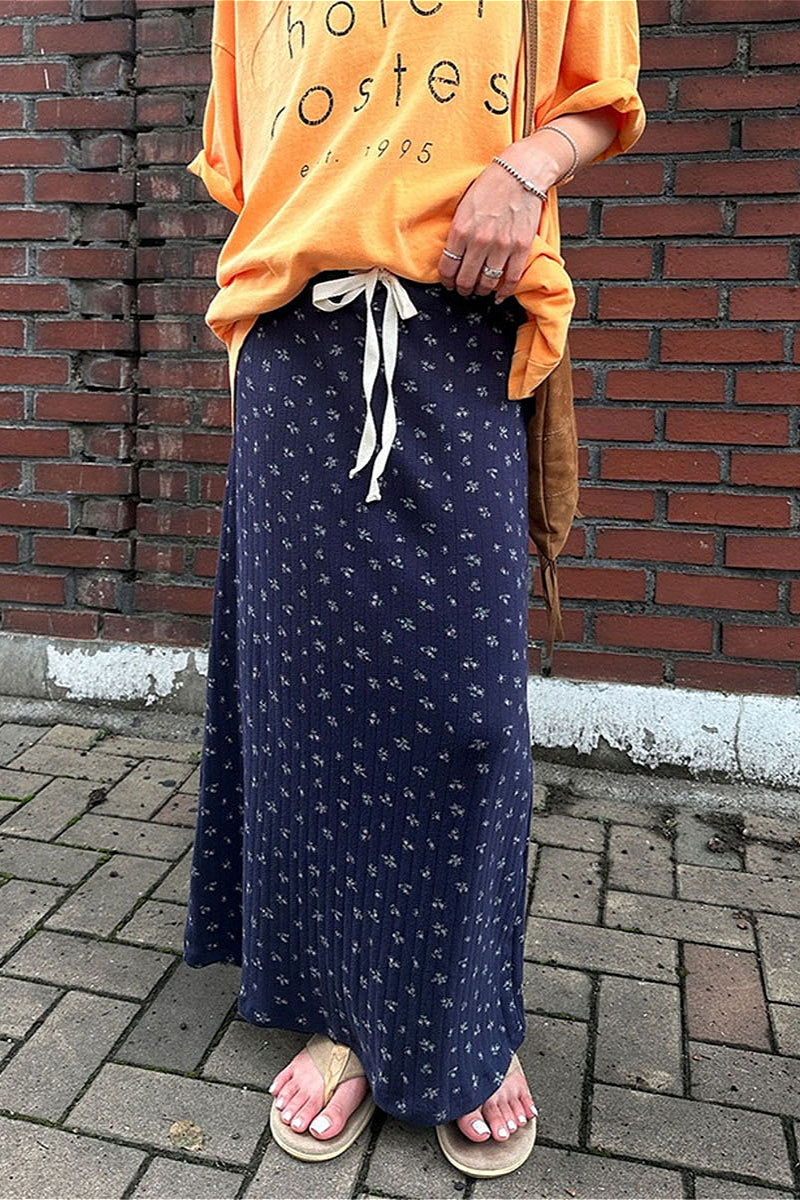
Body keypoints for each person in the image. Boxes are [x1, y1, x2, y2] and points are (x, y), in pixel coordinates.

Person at [183, 0, 645, 1179]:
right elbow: (243, 154)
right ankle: (343, 1014)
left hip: (459, 324)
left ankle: (464, 1022)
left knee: (466, 713)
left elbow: (601, 92)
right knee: (308, 703)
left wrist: (525, 167)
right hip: (295, 338)